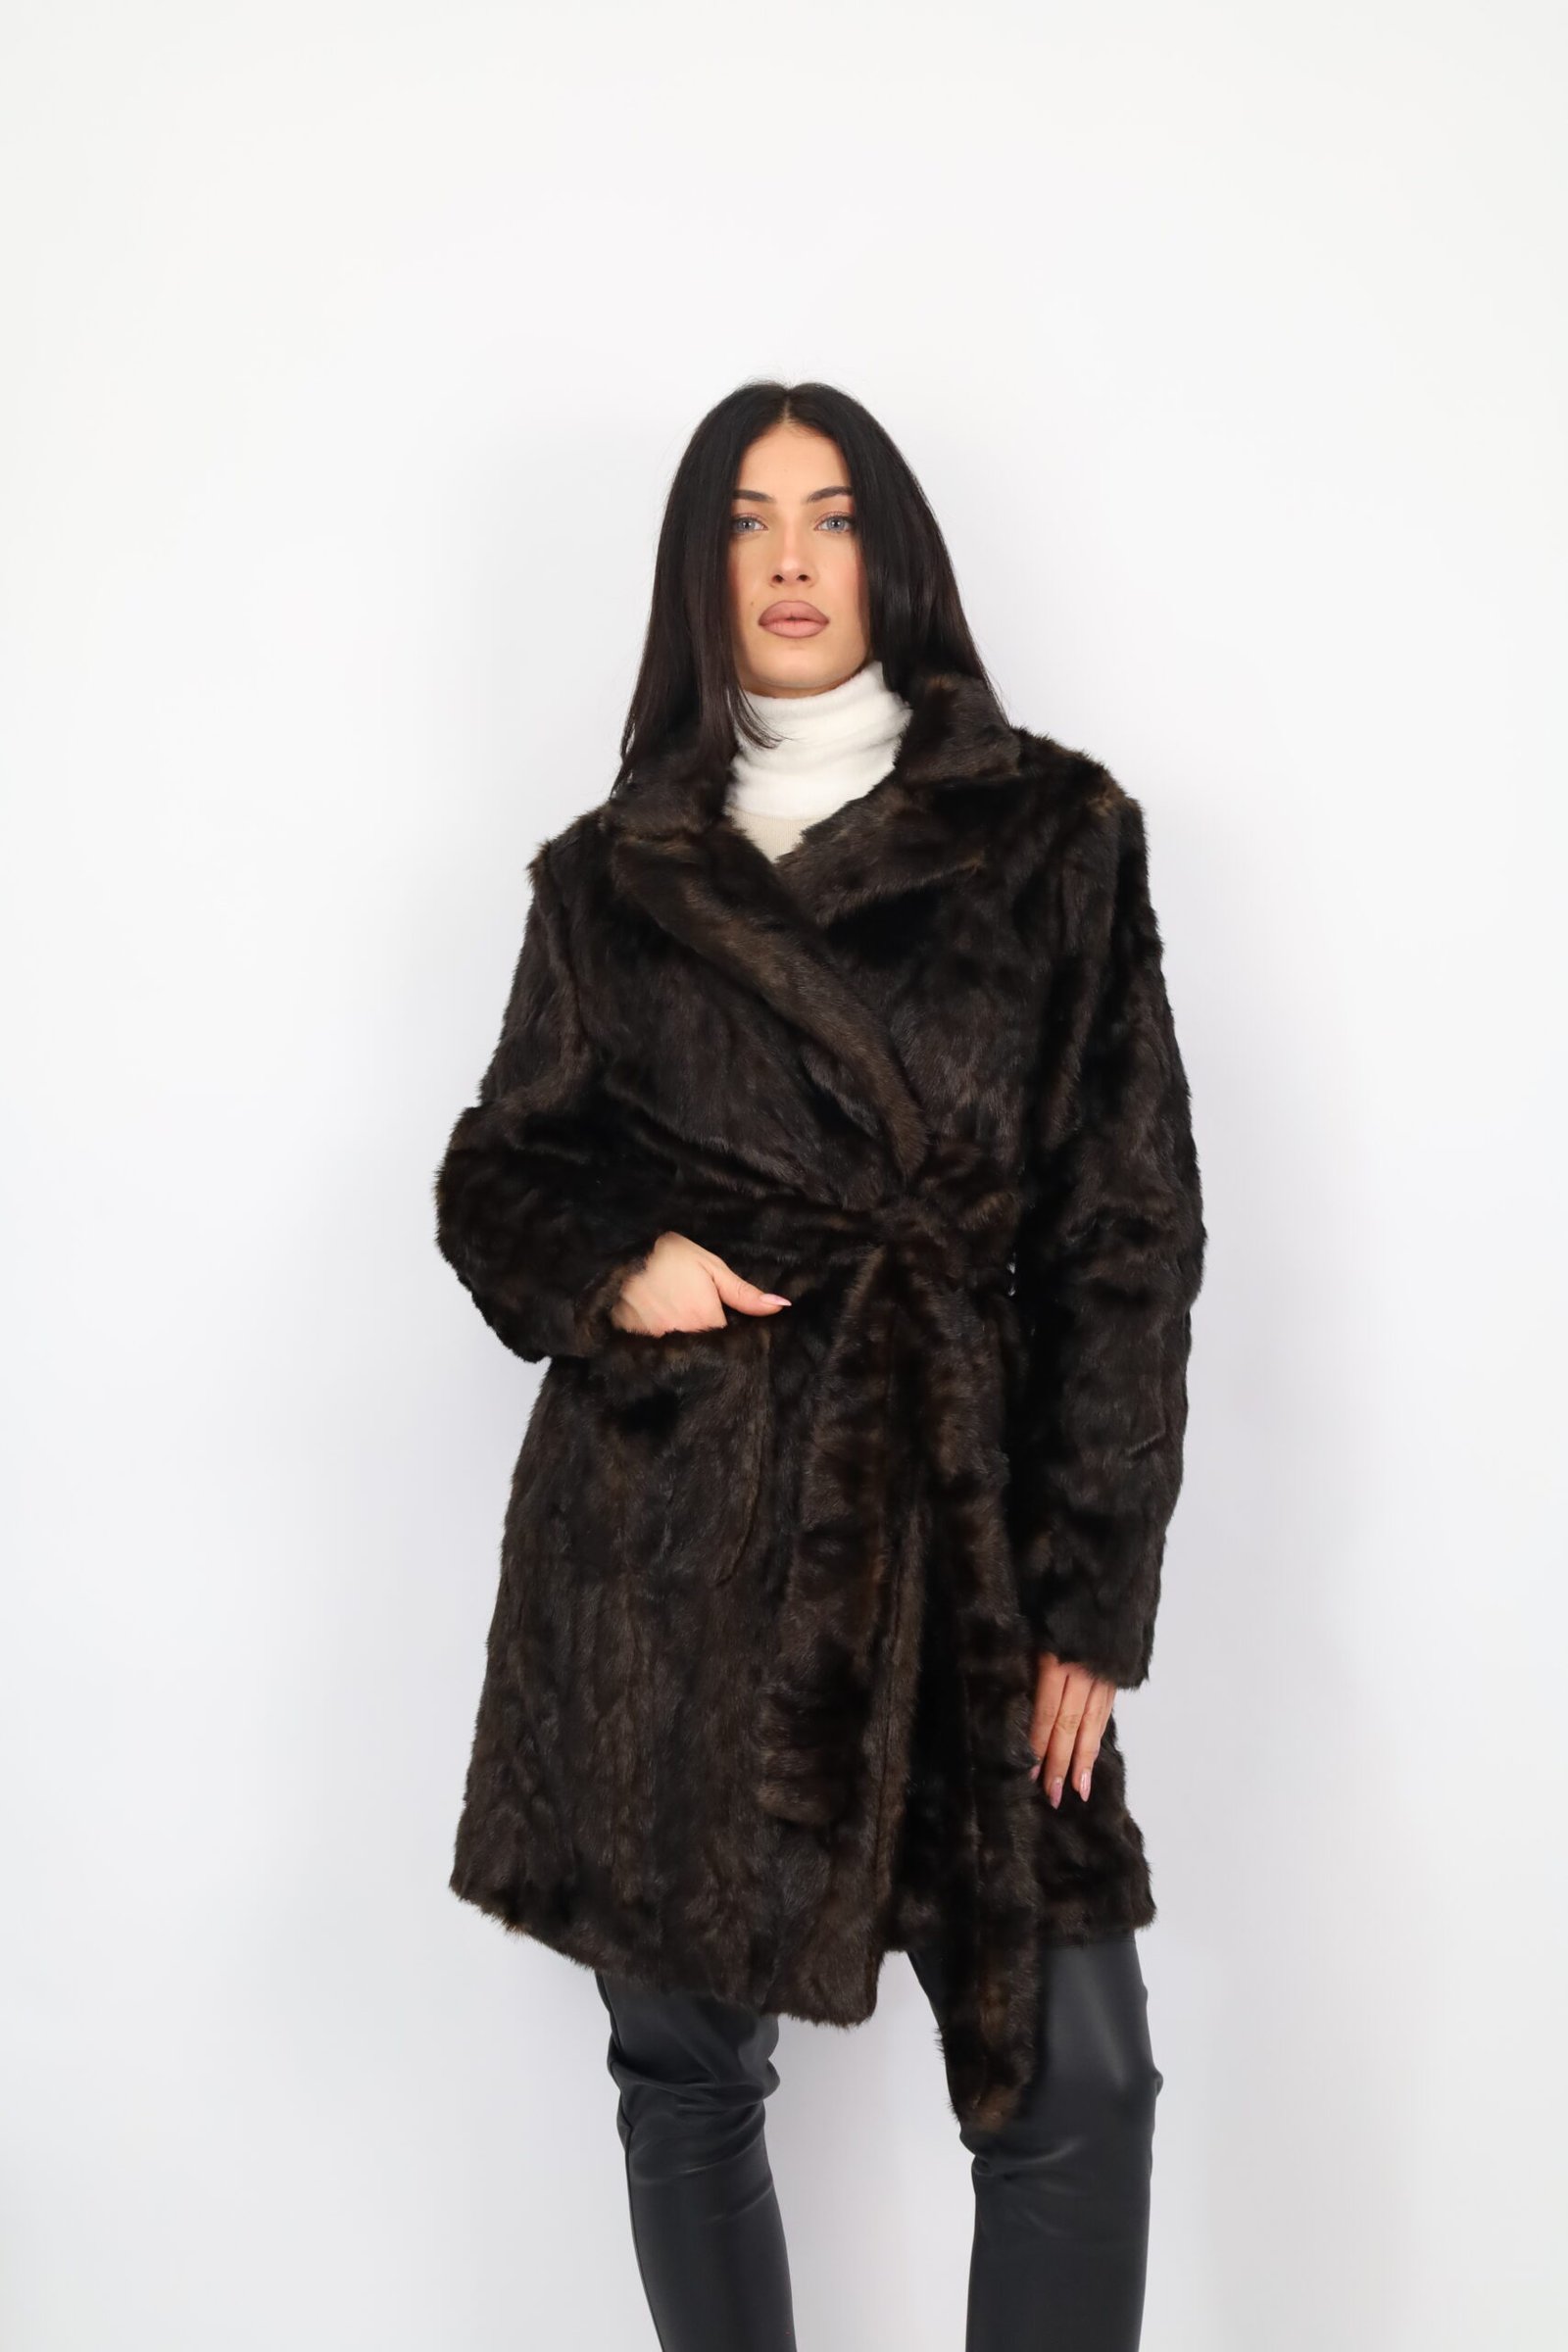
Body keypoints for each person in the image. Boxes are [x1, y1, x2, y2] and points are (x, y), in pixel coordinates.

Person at [433, 379, 1206, 2351]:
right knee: (686, 2073)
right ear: (699, 575)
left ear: (895, 558)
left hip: (956, 1536)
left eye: (832, 515)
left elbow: (1126, 1229)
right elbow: (498, 1175)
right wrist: (624, 1270)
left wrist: (1089, 1594)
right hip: (673, 1549)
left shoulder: (1053, 835)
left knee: (1078, 2079)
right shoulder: (612, 876)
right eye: (746, 521)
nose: (789, 559)